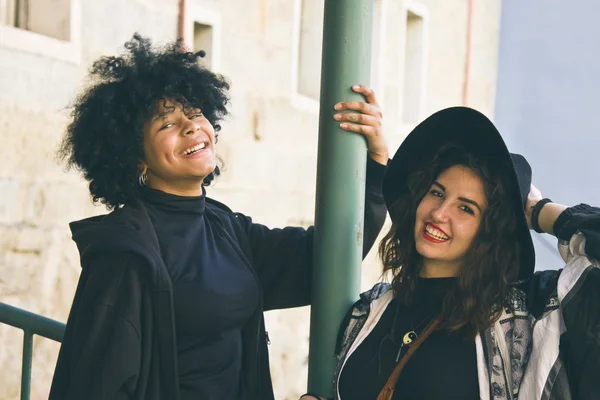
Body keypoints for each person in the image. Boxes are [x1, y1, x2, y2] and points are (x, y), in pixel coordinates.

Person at [48, 34, 389, 400]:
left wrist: (376, 163)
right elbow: (98, 385)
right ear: (135, 158)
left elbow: (321, 261)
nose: (192, 126)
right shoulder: (126, 253)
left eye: (195, 113)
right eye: (166, 124)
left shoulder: (225, 227)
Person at [300, 107, 600, 400]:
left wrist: (539, 213)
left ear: (489, 231)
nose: (440, 213)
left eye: (466, 208)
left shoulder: (526, 314)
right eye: (437, 193)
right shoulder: (368, 312)